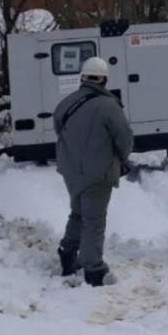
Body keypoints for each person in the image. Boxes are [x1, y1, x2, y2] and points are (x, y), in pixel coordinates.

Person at [53, 56, 133, 286]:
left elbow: (60, 131)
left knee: (78, 212)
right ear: (103, 79)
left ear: (83, 78)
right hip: (98, 172)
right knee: (94, 220)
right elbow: (124, 137)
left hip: (70, 170)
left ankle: (67, 254)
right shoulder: (109, 105)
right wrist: (122, 158)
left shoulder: (65, 103)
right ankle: (93, 268)